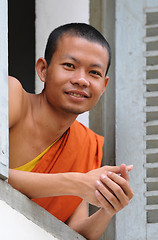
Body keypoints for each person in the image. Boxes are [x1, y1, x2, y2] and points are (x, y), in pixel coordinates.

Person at [8, 23, 134, 240]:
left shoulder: (85, 144)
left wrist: (108, 206)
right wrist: (77, 183)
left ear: (103, 86)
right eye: (69, 65)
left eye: (94, 72)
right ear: (43, 69)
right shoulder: (13, 96)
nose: (81, 80)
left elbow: (74, 232)